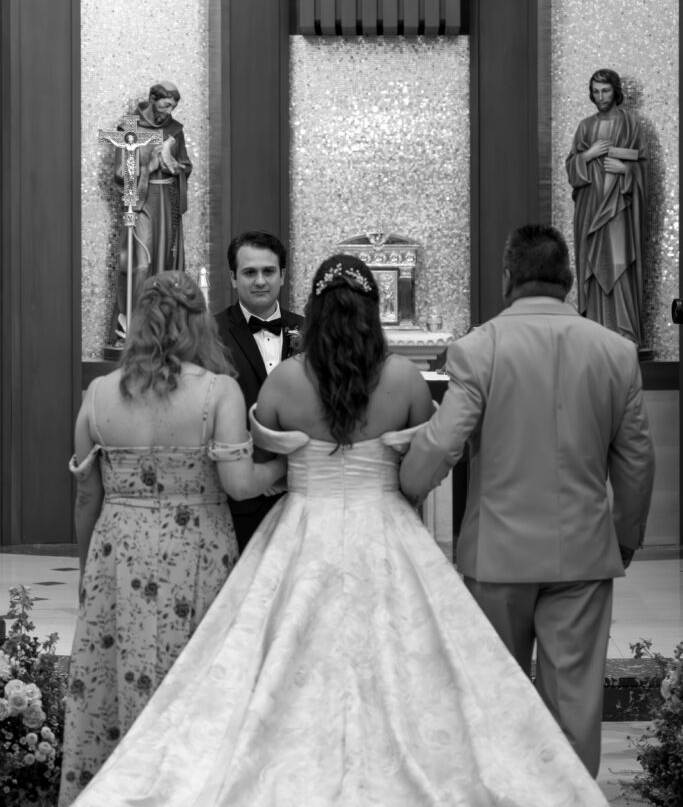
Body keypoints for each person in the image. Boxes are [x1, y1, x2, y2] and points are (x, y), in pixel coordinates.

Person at [69, 254, 608, 806]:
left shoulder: (284, 382)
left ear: (315, 311)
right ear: (374, 311)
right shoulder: (403, 380)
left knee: (278, 660)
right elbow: (418, 465)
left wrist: (298, 467)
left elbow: (260, 452)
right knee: (413, 659)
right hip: (386, 527)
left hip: (301, 528)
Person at [400, 224, 656, 778]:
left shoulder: (480, 347)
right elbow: (635, 461)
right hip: (584, 552)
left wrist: (404, 491)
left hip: (498, 556)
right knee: (575, 706)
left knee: (497, 698)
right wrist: (625, 537)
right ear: (567, 280)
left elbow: (443, 443)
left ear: (507, 277)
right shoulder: (615, 352)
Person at [58, 271, 285, 807]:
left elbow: (86, 499)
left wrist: (88, 570)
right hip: (198, 552)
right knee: (195, 679)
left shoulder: (98, 394)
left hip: (118, 552)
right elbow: (239, 483)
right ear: (198, 322)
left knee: (117, 680)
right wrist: (285, 469)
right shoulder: (217, 391)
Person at [214, 230, 303, 550]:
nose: (260, 281)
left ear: (283, 275)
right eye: (249, 272)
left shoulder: (312, 331)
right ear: (234, 278)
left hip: (303, 489)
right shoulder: (211, 335)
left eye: (268, 271)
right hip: (237, 493)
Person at [565, 67, 647, 346]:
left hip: (619, 212)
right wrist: (588, 155)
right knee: (593, 265)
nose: (600, 96)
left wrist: (626, 169)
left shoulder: (630, 125)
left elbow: (643, 168)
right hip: (590, 210)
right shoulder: (585, 127)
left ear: (616, 91)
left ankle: (625, 334)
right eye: (596, 91)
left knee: (620, 265)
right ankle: (594, 334)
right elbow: (572, 169)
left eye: (606, 90)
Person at [110, 81, 192, 344]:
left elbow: (185, 165)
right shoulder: (130, 127)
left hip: (167, 202)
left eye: (174, 106)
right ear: (152, 99)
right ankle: (133, 325)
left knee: (165, 263)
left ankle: (162, 327)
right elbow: (121, 173)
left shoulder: (174, 129)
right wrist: (151, 162)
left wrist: (173, 166)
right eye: (166, 104)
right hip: (141, 202)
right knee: (140, 263)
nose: (169, 111)